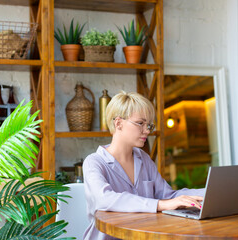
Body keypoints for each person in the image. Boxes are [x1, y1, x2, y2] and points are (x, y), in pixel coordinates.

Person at [82, 91, 205, 240]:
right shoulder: (94, 162)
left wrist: (209, 192)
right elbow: (105, 200)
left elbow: (168, 196)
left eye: (148, 125)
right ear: (118, 123)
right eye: (140, 123)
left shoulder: (144, 159)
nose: (147, 130)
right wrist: (160, 205)